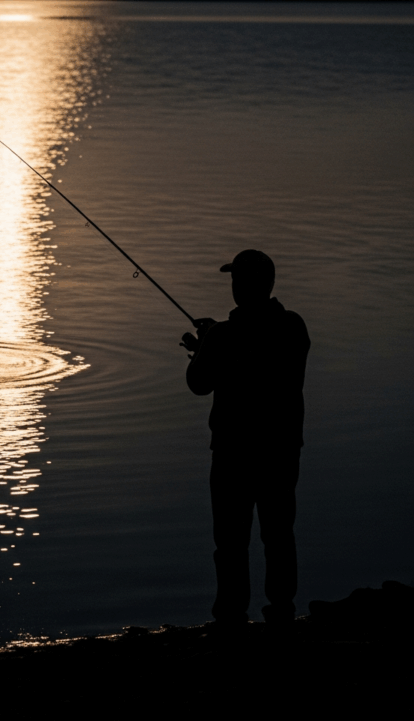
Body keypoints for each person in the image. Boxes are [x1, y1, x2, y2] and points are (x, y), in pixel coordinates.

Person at [180, 250, 310, 627]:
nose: (233, 286)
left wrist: (202, 349)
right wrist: (213, 343)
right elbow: (257, 355)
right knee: (279, 535)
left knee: (231, 543)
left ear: (241, 286)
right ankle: (282, 612)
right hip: (282, 452)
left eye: (236, 279)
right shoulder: (294, 328)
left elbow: (198, 383)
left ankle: (230, 617)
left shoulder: (223, 335)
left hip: (233, 454)